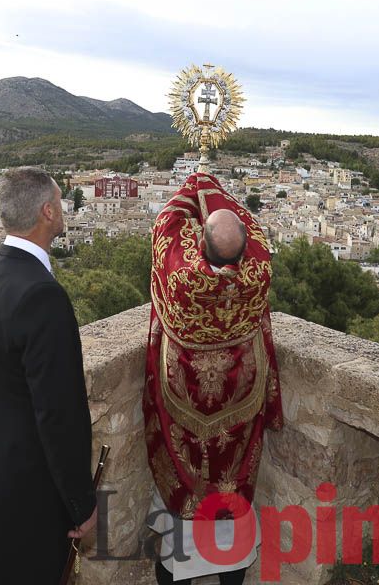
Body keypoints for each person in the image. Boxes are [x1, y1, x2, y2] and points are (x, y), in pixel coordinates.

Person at [143, 172, 283, 585]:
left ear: (199, 243)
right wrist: (216, 193)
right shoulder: (257, 274)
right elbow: (250, 230)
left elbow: (165, 227)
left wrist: (196, 184)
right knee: (232, 489)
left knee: (183, 514)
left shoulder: (183, 280)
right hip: (238, 401)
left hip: (184, 399)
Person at [0, 166, 96, 584]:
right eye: (60, 200)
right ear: (48, 212)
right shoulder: (42, 294)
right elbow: (58, 411)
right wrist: (80, 503)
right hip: (32, 484)